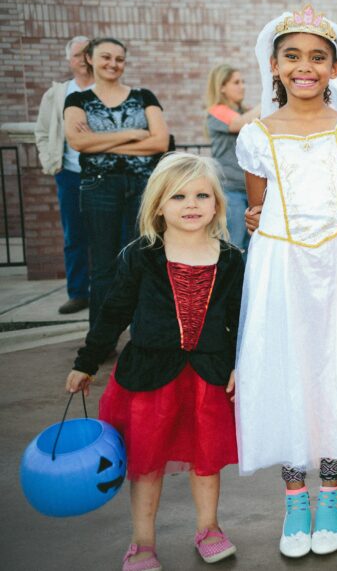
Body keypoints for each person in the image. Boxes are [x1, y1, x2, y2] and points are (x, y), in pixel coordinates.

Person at [233, 5, 337, 558]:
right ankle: (295, 499)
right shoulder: (256, 135)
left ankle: (330, 491)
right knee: (286, 370)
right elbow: (259, 206)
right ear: (274, 65)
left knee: (334, 369)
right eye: (292, 56)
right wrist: (261, 222)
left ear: (335, 69)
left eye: (317, 57)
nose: (305, 67)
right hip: (281, 268)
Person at [65, 153, 244, 570]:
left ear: (217, 203)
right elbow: (114, 312)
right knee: (146, 463)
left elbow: (240, 320)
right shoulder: (141, 255)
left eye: (202, 195)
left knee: (206, 458)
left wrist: (240, 364)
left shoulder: (232, 258)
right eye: (178, 196)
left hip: (209, 376)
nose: (191, 204)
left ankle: (209, 528)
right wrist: (86, 362)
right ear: (158, 205)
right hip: (150, 378)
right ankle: (142, 541)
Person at [63, 38, 169, 325]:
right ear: (90, 59)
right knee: (104, 266)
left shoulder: (144, 96)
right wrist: (133, 134)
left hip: (141, 186)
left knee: (141, 259)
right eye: (105, 57)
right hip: (99, 188)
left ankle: (142, 335)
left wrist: (99, 142)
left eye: (119, 59)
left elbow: (160, 141)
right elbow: (77, 141)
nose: (113, 64)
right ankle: (101, 337)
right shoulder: (77, 100)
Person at [33, 35, 92, 314]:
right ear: (69, 60)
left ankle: (111, 293)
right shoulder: (58, 93)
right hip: (69, 174)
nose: (84, 59)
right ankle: (78, 292)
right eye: (78, 54)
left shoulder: (105, 89)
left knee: (111, 235)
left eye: (89, 53)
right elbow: (42, 131)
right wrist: (50, 161)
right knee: (74, 235)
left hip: (103, 176)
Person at [204, 64, 260, 250]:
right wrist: (268, 99)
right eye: (236, 82)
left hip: (252, 190)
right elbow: (239, 124)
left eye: (243, 82)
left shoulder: (246, 111)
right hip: (230, 190)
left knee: (253, 246)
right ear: (222, 87)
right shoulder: (217, 111)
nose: (242, 86)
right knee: (233, 246)